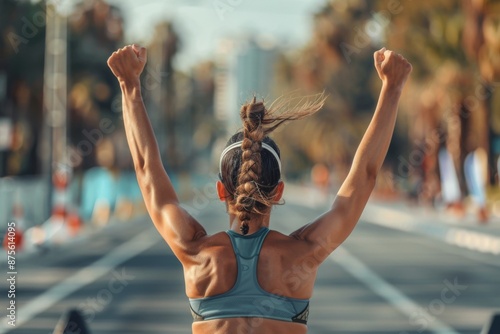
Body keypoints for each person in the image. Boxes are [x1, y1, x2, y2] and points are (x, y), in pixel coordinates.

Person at [107, 44, 412, 333]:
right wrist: (392, 88)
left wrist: (130, 85)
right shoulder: (302, 253)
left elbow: (147, 169)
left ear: (220, 190)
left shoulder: (196, 252)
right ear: (278, 192)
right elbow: (365, 176)